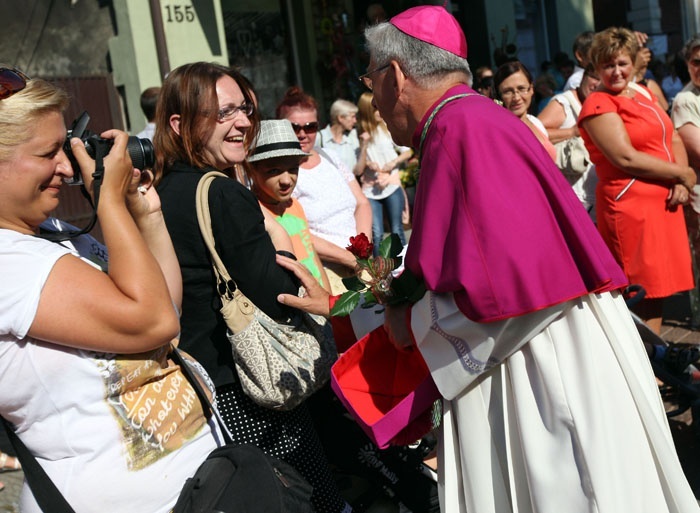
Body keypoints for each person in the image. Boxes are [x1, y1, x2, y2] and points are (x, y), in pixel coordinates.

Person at [284, 6, 700, 513]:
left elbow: (502, 292)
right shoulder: (471, 119)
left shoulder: (458, 130)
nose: (373, 93)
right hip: (535, 342)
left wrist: (390, 318)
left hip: (539, 361)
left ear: (395, 74)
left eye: (371, 77)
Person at [0, 71, 221, 513]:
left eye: (66, 147)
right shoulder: (8, 264)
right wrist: (110, 202)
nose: (67, 166)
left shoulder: (55, 232)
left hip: (199, 486)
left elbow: (166, 315)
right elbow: (152, 321)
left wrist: (146, 215)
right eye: (49, 153)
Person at [153, 63, 351, 513]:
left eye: (243, 109)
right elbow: (279, 295)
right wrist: (281, 240)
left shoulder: (159, 189)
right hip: (249, 384)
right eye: (223, 113)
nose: (243, 122)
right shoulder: (222, 193)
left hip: (195, 383)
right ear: (180, 124)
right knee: (303, 498)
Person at [578, 27, 695, 334]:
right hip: (631, 208)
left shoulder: (641, 92)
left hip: (661, 203)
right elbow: (624, 157)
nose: (616, 72)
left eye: (621, 63)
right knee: (641, 292)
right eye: (607, 65)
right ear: (596, 68)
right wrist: (682, 174)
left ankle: (656, 366)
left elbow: (674, 139)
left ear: (632, 62)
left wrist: (682, 181)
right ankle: (649, 371)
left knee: (660, 289)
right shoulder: (599, 103)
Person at [276, 86, 372, 294]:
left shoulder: (330, 157)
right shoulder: (281, 174)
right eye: (295, 127)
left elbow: (362, 202)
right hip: (326, 271)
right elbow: (294, 232)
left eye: (310, 127)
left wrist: (363, 246)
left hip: (359, 262)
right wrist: (348, 258)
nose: (303, 134)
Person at [247, 119, 332, 292]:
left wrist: (328, 296)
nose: (287, 180)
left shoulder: (294, 205)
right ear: (252, 170)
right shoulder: (252, 213)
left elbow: (312, 255)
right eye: (274, 171)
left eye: (293, 169)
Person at [538, 65, 601, 216]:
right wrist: (572, 131)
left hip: (596, 201)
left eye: (602, 79)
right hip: (573, 201)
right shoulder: (564, 102)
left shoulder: (603, 102)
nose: (597, 84)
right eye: (594, 77)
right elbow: (535, 133)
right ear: (584, 76)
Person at [355, 91, 412, 253]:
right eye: (375, 109)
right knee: (377, 232)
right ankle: (381, 271)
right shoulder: (359, 134)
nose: (380, 112)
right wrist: (367, 160)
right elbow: (357, 168)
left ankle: (403, 265)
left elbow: (407, 152)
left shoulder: (387, 128)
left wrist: (393, 162)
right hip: (371, 188)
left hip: (391, 184)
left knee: (396, 228)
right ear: (367, 112)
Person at [494, 60, 557, 160]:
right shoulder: (500, 133)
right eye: (508, 92)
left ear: (531, 89)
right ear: (500, 96)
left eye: (521, 88)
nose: (516, 97)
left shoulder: (535, 122)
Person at [318, 99, 362, 175]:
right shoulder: (320, 137)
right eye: (352, 117)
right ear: (340, 118)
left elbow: (357, 171)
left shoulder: (352, 139)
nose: (355, 121)